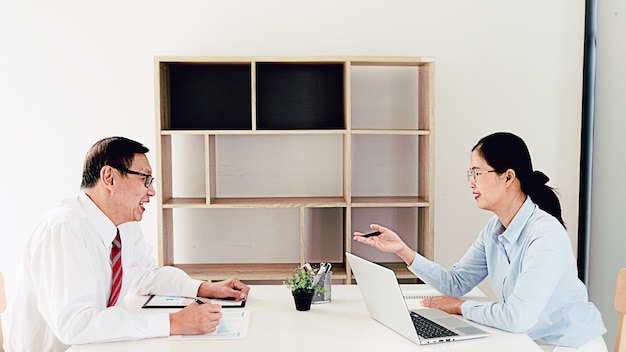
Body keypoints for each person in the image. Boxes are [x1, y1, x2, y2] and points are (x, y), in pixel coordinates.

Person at [354, 132, 607, 351]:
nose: (471, 183)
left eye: (477, 173)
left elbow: (517, 317)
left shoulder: (545, 236)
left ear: (508, 177)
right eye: (470, 174)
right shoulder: (494, 230)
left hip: (568, 345)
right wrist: (404, 251)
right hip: (528, 340)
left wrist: (460, 307)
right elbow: (455, 282)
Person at [6, 136, 250, 351]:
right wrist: (174, 323)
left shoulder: (123, 223)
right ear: (109, 177)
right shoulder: (64, 229)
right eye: (145, 179)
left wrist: (204, 288)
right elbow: (75, 325)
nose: (152, 191)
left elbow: (146, 276)